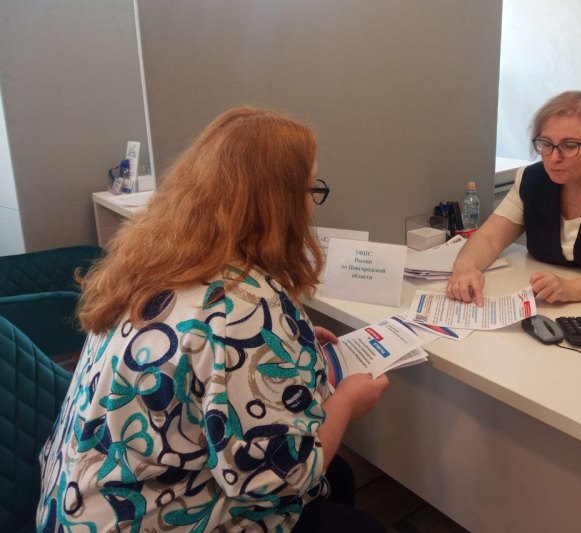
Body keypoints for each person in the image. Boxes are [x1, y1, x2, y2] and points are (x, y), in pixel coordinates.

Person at [37, 107, 389, 532]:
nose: (312, 205)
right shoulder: (243, 306)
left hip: (78, 502)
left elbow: (199, 357)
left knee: (339, 478)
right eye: (311, 188)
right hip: (145, 516)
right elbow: (279, 481)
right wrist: (347, 401)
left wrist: (285, 345)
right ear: (276, 202)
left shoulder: (160, 260)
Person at [448, 90, 581, 306]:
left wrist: (570, 289)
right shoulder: (532, 179)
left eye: (569, 145)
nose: (554, 157)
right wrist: (465, 268)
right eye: (546, 144)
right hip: (548, 307)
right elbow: (489, 238)